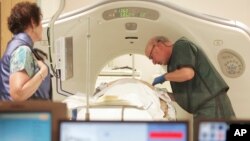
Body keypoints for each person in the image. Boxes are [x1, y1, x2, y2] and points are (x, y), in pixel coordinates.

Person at [145, 36, 235, 135]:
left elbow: (188, 73)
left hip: (212, 106)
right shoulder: (172, 66)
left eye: (151, 57)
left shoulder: (181, 45)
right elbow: (184, 95)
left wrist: (165, 77)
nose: (153, 62)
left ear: (159, 45)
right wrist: (163, 94)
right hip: (201, 110)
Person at [0, 2, 51, 101]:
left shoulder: (16, 46)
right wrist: (43, 72)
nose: (42, 27)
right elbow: (18, 94)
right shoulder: (22, 50)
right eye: (40, 22)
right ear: (33, 22)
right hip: (21, 116)